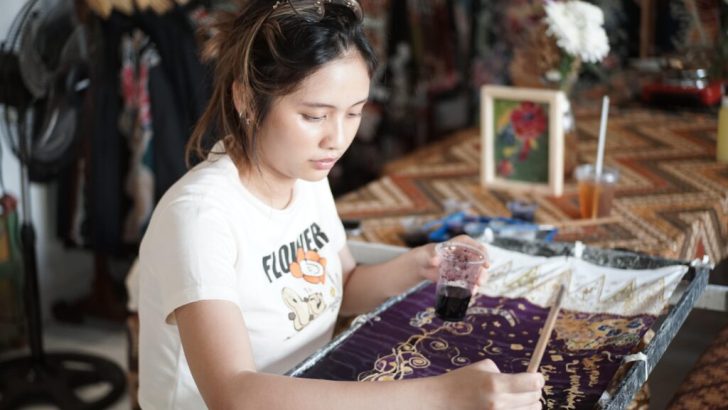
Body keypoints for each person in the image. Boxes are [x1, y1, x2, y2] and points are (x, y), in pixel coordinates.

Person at [137, 1, 545, 409]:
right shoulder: (199, 218)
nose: (337, 139)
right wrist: (442, 395)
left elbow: (343, 288)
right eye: (315, 116)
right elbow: (233, 395)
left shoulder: (305, 175)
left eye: (353, 113)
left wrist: (422, 265)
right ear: (245, 100)